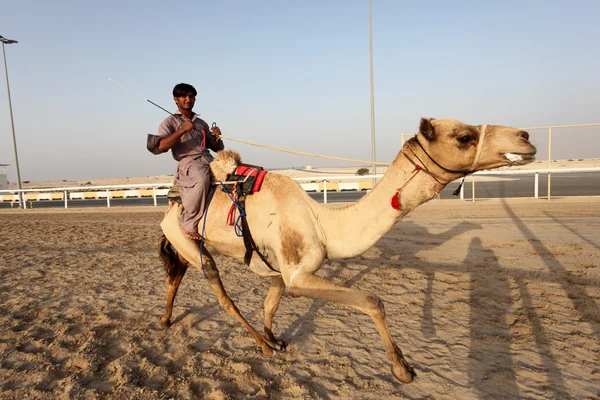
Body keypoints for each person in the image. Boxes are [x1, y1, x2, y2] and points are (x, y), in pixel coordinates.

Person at [146, 83, 224, 240]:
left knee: (236, 175)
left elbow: (217, 148)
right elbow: (160, 146)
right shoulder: (169, 122)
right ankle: (188, 222)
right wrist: (182, 130)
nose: (188, 99)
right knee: (202, 181)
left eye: (191, 96)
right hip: (189, 162)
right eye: (183, 96)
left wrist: (217, 136)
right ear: (176, 99)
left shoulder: (201, 123)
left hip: (208, 158)